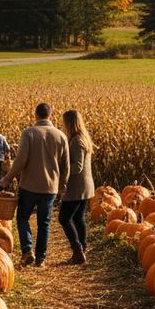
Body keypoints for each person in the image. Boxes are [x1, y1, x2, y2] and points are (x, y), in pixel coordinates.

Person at [0, 103, 69, 268]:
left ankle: (27, 250)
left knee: (22, 218)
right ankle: (41, 258)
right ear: (50, 115)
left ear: (36, 115)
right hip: (50, 187)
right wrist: (62, 185)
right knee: (44, 222)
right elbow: (66, 165)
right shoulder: (61, 136)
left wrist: (7, 178)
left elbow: (20, 161)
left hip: (29, 185)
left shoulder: (29, 133)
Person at [58, 109, 95, 265]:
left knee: (64, 218)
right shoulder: (83, 138)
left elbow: (77, 167)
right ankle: (82, 248)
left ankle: (77, 249)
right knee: (78, 218)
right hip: (86, 186)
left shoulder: (76, 141)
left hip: (77, 187)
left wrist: (61, 169)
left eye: (64, 122)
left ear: (70, 123)